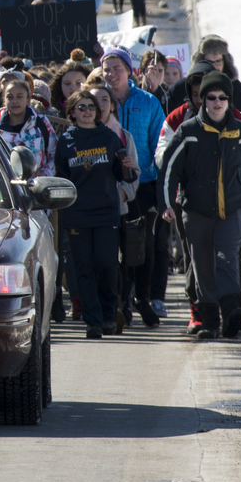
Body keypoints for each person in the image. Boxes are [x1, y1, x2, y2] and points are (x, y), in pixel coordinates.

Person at [161, 73, 241, 340]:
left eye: (222, 98)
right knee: (202, 263)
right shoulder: (189, 131)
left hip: (232, 209)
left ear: (229, 101)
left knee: (228, 258)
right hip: (196, 210)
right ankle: (208, 320)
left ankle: (231, 311)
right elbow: (169, 169)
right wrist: (166, 203)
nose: (217, 103)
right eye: (211, 98)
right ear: (202, 101)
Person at [54, 89, 140, 340]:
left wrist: (128, 169)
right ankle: (93, 322)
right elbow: (62, 179)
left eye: (90, 106)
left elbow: (124, 174)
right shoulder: (66, 141)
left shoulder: (109, 137)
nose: (87, 111)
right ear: (72, 112)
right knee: (84, 269)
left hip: (105, 213)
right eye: (81, 107)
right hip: (78, 213)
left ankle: (109, 315)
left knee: (107, 266)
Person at [101, 46, 167, 328]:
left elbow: (160, 145)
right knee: (115, 247)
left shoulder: (149, 102)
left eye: (117, 68)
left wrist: (157, 180)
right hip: (109, 185)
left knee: (142, 245)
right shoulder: (97, 99)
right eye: (107, 68)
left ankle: (142, 297)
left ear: (129, 71)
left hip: (145, 184)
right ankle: (121, 301)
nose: (111, 73)